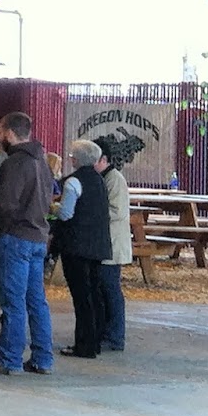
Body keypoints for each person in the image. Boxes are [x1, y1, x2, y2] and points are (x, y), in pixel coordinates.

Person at [0, 112, 57, 377]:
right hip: (38, 237)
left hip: (16, 237)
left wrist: (1, 229)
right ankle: (42, 358)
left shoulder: (14, 163)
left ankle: (10, 359)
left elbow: (6, 204)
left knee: (13, 302)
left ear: (9, 132)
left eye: (0, 131)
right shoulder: (43, 161)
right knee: (37, 301)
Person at [52, 139, 110, 360]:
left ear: (77, 159)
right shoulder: (99, 180)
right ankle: (94, 342)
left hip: (76, 246)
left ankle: (83, 345)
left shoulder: (73, 182)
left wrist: (53, 207)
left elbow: (66, 213)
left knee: (81, 297)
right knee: (94, 294)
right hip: (97, 245)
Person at [90, 136, 131, 352]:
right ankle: (104, 330)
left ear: (103, 159)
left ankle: (116, 335)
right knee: (101, 289)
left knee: (110, 289)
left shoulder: (115, 180)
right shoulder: (102, 178)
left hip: (112, 245)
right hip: (102, 244)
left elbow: (117, 211)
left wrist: (89, 211)